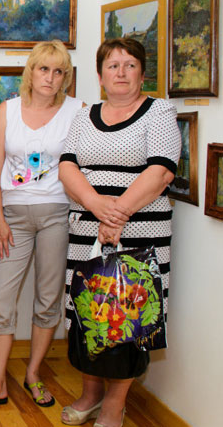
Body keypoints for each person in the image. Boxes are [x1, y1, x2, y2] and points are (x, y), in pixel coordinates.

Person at [58, 38, 180, 427]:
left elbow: (161, 170)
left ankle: (115, 404)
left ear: (143, 74)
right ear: (100, 76)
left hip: (140, 231)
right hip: (87, 230)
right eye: (113, 65)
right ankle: (91, 394)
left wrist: (117, 214)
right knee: (88, 310)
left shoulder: (159, 111)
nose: (121, 72)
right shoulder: (84, 115)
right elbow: (67, 167)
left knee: (130, 316)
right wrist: (96, 205)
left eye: (130, 65)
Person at [0, 40, 82, 412]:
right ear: (31, 71)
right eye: (44, 69)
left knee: (48, 299)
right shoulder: (7, 110)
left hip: (58, 214)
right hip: (12, 217)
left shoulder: (78, 111)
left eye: (59, 71)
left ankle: (33, 374)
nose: (50, 78)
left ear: (65, 77)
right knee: (2, 302)